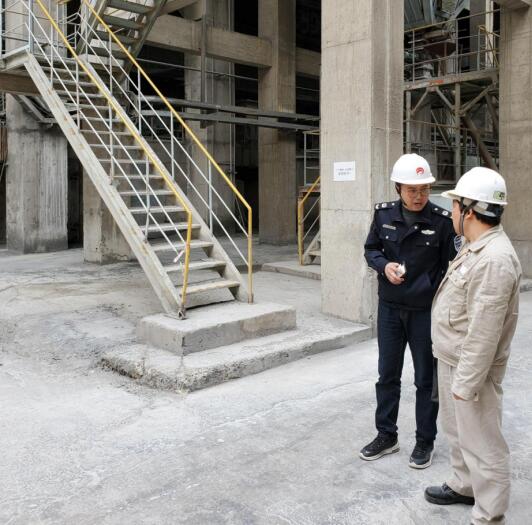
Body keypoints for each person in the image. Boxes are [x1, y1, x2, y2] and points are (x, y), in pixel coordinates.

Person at [425, 167, 521, 525]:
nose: (450, 211)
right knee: (458, 433)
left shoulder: (494, 260)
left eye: (454, 205)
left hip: (470, 367)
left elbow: (484, 333)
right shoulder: (476, 246)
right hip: (453, 358)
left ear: (468, 210)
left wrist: (465, 383)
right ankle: (465, 486)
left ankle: (489, 514)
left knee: (483, 443)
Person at [361, 153, 456, 469]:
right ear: (398, 188)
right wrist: (383, 265)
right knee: (387, 375)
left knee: (426, 380)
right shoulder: (383, 216)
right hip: (390, 309)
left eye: (424, 189)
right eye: (412, 189)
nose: (419, 196)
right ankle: (386, 435)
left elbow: (451, 268)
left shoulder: (442, 222)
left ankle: (424, 441)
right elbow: (371, 249)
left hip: (424, 313)